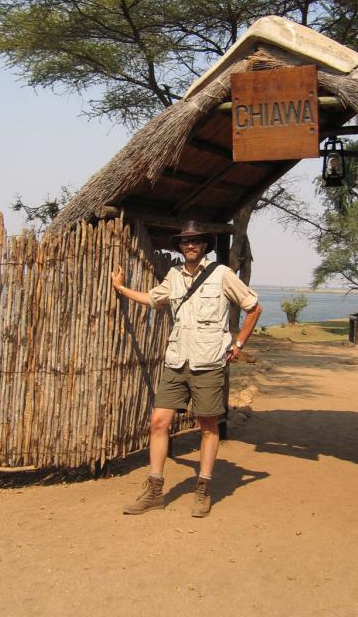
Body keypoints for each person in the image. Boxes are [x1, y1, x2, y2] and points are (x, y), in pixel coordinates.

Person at [110, 220, 262, 518]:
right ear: (179, 246)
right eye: (185, 241)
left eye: (195, 241)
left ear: (204, 245)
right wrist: (120, 288)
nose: (190, 245)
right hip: (176, 360)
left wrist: (238, 344)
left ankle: (203, 488)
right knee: (158, 422)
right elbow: (153, 299)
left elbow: (253, 307)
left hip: (208, 363)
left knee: (208, 427)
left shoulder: (222, 275)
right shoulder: (174, 276)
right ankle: (154, 490)